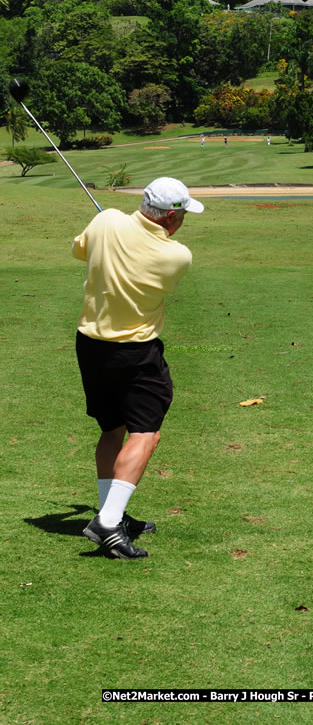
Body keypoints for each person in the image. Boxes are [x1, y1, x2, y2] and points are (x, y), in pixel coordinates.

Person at [73, 177, 204, 559]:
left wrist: (112, 232)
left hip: (91, 346)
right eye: (183, 215)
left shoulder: (106, 221)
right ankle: (109, 522)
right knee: (145, 434)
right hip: (136, 352)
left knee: (112, 429)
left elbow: (81, 252)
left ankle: (110, 511)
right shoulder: (177, 255)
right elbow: (160, 274)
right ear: (172, 217)